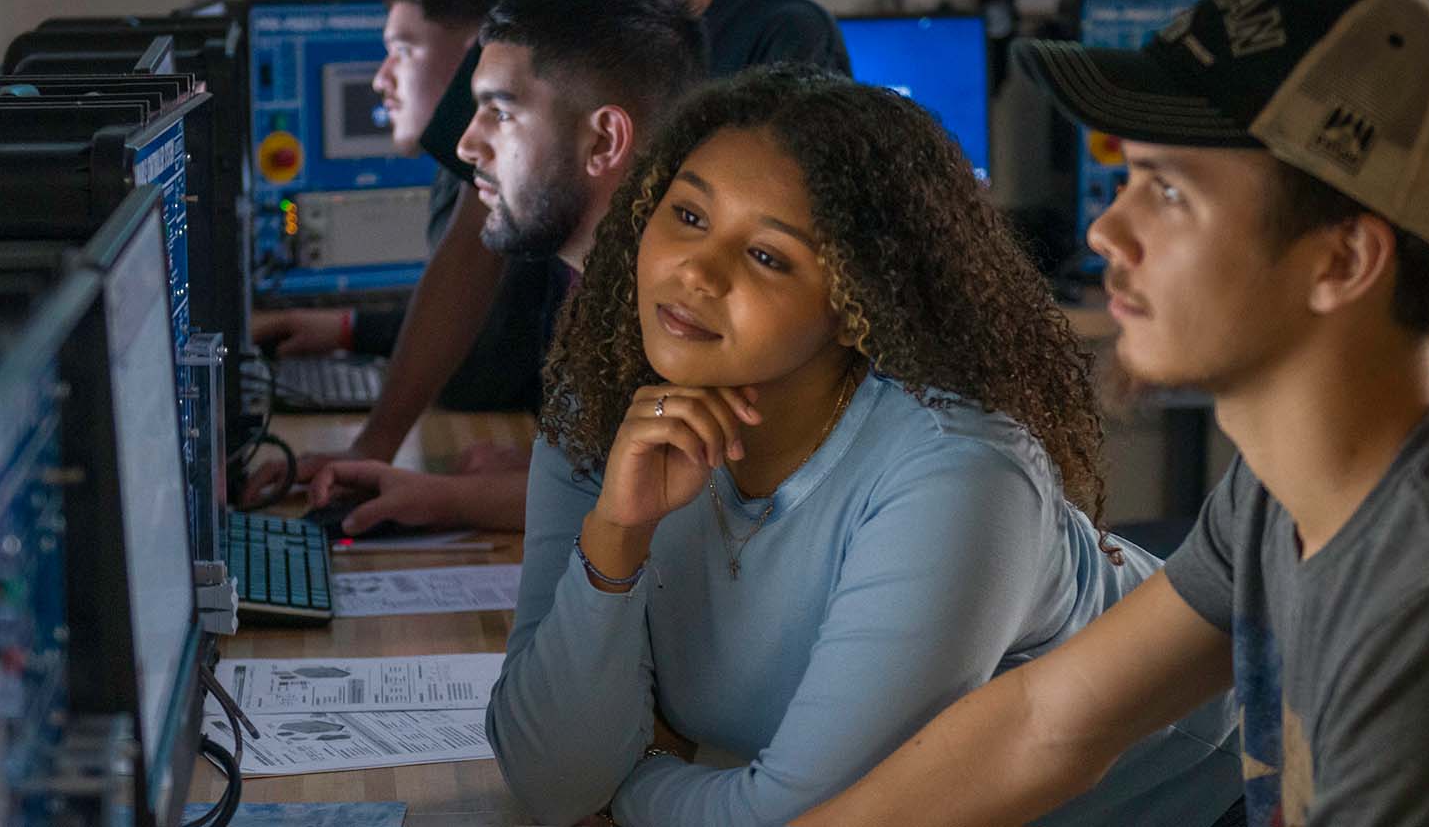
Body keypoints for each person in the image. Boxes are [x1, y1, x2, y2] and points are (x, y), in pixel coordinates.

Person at [799, 0, 1429, 827]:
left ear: (1344, 260)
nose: (1105, 228)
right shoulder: (1300, 477)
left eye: (1167, 191)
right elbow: (1052, 721)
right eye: (1127, 177)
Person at [486, 67, 1242, 827]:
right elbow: (548, 781)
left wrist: (630, 788)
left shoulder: (957, 472)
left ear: (858, 305)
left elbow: (813, 818)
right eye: (687, 215)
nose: (696, 271)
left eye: (769, 257)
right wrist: (616, 537)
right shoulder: (607, 406)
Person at [297, 0, 849, 489]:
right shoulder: (529, 28)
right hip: (584, 434)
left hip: (719, 459)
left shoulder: (782, 37)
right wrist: (376, 442)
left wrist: (577, 467)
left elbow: (784, 301)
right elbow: (467, 256)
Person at [302, 0, 709, 536]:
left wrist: (443, 496)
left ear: (604, 141)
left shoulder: (697, 324)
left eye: (501, 112)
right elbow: (600, 487)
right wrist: (435, 495)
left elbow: (671, 511)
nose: (467, 144)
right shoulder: (600, 298)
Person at [249, 0, 548, 413]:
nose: (381, 79)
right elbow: (466, 323)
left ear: (480, 57)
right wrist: (351, 328)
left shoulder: (519, 184)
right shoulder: (462, 177)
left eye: (404, 51)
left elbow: (468, 374)